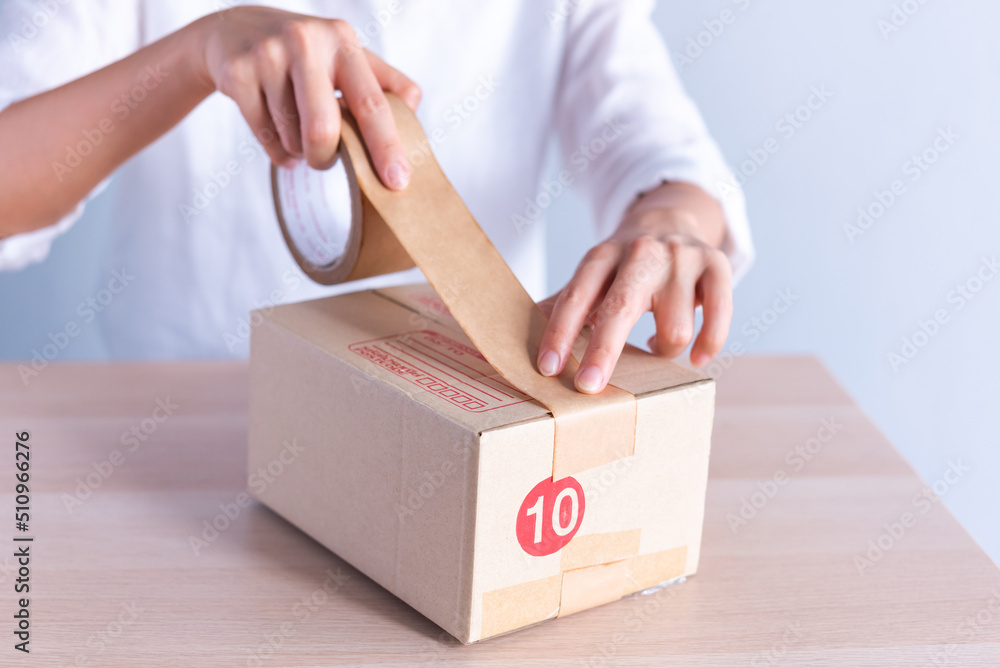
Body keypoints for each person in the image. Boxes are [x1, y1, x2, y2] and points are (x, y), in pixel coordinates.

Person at [0, 0, 753, 395]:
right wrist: (195, 54)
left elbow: (657, 145)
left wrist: (671, 223)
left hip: (461, 411)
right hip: (182, 421)